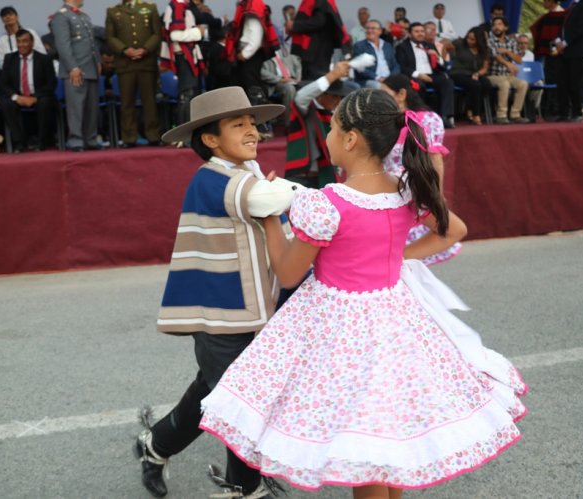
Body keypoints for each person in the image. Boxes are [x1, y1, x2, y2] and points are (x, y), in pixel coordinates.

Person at [199, 87, 527, 496]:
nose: (328, 137)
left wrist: (268, 216)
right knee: (386, 434)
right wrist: (395, 256)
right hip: (397, 319)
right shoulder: (405, 188)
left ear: (350, 139)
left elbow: (286, 272)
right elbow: (454, 231)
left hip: (342, 330)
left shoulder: (328, 202)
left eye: (333, 128)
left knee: (365, 447)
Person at [133, 86, 297, 499]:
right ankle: (244, 487)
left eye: (253, 124)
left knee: (215, 392)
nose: (253, 132)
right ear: (210, 139)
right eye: (238, 124)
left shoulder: (246, 173)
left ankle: (155, 446)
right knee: (242, 401)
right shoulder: (213, 178)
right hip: (222, 314)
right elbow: (279, 197)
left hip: (248, 310)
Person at [381, 73, 463, 266]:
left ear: (401, 94)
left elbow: (434, 158)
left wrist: (436, 193)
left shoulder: (428, 119)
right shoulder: (387, 122)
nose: (381, 98)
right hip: (387, 192)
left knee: (412, 260)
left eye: (385, 93)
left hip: (413, 191)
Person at [106, 0, 163, 148]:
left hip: (146, 62)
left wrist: (145, 49)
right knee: (127, 103)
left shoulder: (150, 8)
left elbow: (157, 34)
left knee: (149, 101)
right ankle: (129, 138)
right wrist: (125, 50)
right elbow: (110, 37)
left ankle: (153, 135)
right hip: (125, 63)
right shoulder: (113, 11)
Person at [285, 61, 351, 188]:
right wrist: (332, 75)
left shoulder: (333, 116)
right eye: (334, 96)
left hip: (323, 175)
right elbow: (300, 97)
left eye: (340, 97)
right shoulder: (306, 108)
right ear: (320, 95)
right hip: (301, 176)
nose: (338, 100)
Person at [51, 0, 103, 152]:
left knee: (91, 107)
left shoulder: (84, 16)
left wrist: (98, 61)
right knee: (76, 107)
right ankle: (76, 141)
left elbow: (92, 44)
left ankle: (90, 139)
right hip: (75, 69)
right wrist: (72, 67)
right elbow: (63, 45)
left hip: (90, 67)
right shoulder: (61, 16)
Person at [0, 29, 57, 153]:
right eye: (18, 42)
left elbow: (51, 83)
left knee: (46, 102)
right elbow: (4, 84)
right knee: (6, 103)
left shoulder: (44, 59)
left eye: (25, 41)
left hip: (39, 96)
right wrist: (16, 97)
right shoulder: (9, 58)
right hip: (18, 95)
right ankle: (19, 142)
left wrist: (35, 97)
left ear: (32, 43)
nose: (21, 45)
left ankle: (42, 141)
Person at [159, 0, 206, 141]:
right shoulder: (177, 6)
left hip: (190, 55)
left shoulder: (185, 6)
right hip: (183, 55)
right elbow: (175, 35)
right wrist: (198, 32)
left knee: (192, 94)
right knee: (187, 94)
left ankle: (190, 133)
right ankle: (184, 135)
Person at [395, 22, 456, 129]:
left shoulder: (429, 45)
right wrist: (419, 75)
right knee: (418, 85)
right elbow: (402, 66)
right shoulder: (402, 47)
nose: (420, 34)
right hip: (415, 76)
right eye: (417, 31)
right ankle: (421, 117)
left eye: (422, 31)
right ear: (410, 34)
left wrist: (438, 58)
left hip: (432, 75)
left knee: (447, 82)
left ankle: (445, 117)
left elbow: (442, 67)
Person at [225, 0, 280, 112]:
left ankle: (257, 117)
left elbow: (256, 38)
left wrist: (245, 54)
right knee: (245, 85)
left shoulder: (253, 8)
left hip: (250, 55)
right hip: (249, 54)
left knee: (251, 87)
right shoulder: (250, 7)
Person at [287, 0, 352, 81]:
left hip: (318, 51)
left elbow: (319, 21)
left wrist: (295, 25)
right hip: (312, 51)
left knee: (315, 82)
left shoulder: (322, 1)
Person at [554, 0, 583, 122]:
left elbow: (582, 27)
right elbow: (560, 25)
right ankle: (563, 112)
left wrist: (565, 43)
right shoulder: (567, 4)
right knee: (562, 82)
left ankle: (577, 112)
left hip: (577, 50)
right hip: (563, 50)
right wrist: (557, 41)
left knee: (574, 82)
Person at [487, 17, 530, 124]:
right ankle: (501, 115)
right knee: (504, 83)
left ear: (505, 27)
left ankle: (515, 114)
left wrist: (507, 51)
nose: (496, 27)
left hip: (508, 75)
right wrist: (508, 64)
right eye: (494, 25)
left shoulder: (511, 42)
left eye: (500, 24)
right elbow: (495, 55)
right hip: (493, 75)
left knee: (523, 84)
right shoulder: (489, 41)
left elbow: (519, 60)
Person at [448, 27, 492, 126]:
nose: (469, 41)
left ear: (479, 40)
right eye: (468, 38)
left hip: (474, 73)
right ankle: (476, 114)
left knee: (486, 84)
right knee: (475, 85)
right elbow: (445, 45)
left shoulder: (485, 50)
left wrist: (477, 74)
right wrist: (445, 60)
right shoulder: (459, 44)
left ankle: (470, 108)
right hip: (458, 73)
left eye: (472, 39)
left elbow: (485, 68)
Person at [352, 19, 400, 89]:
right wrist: (377, 78)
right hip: (370, 80)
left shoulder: (387, 45)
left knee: (405, 82)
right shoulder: (359, 46)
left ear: (380, 31)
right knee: (377, 86)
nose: (369, 31)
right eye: (367, 28)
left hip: (389, 78)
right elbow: (359, 67)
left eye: (373, 28)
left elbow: (396, 66)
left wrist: (390, 78)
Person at [260, 47, 301, 122]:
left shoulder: (285, 53)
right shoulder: (264, 57)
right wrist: (280, 80)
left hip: (292, 79)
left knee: (308, 86)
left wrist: (298, 77)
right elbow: (262, 73)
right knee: (290, 89)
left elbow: (297, 62)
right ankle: (289, 122)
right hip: (277, 82)